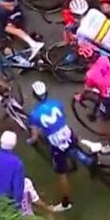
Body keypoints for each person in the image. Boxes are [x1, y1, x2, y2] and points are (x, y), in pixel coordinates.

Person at [26, 81, 82, 212]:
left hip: (56, 143)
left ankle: (65, 202)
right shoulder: (57, 103)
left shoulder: (34, 115)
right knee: (74, 146)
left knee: (61, 173)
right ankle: (76, 162)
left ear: (34, 95)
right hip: (67, 132)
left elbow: (35, 135)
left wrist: (31, 141)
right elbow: (63, 117)